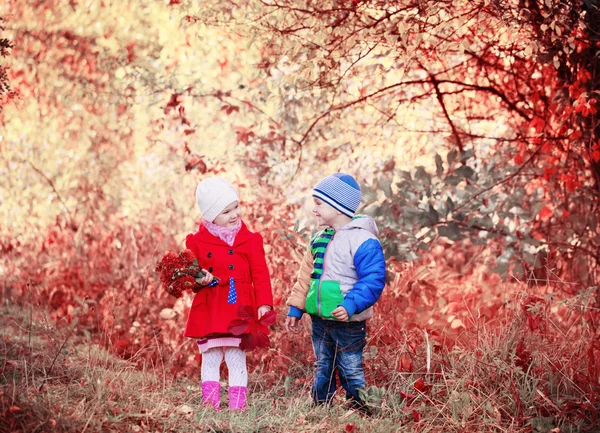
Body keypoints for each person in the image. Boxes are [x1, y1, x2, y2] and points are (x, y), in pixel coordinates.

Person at [284, 173, 386, 412]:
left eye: (319, 203)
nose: (314, 210)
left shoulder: (364, 240)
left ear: (338, 207)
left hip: (347, 321)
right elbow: (305, 277)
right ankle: (321, 406)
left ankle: (361, 408)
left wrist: (350, 305)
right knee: (322, 365)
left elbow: (373, 280)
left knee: (350, 367)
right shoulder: (319, 239)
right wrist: (296, 307)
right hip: (320, 320)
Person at [184, 177, 273, 411]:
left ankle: (237, 407)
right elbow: (190, 275)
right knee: (211, 356)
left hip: (239, 306)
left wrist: (264, 303)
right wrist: (198, 279)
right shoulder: (197, 242)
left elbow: (260, 274)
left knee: (236, 355)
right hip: (211, 304)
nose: (234, 214)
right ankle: (210, 405)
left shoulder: (251, 240)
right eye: (226, 211)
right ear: (211, 216)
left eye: (236, 207)